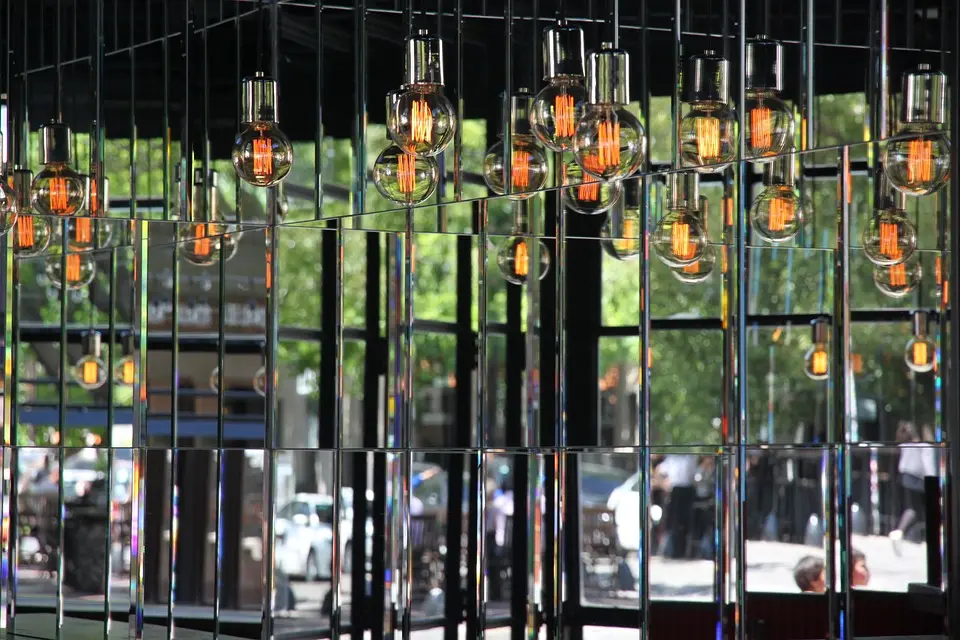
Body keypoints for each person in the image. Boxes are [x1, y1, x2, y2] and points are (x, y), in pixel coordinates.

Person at [890, 422, 936, 547]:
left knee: (913, 507)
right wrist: (932, 479)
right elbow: (927, 464)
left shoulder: (905, 444)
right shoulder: (923, 445)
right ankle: (902, 532)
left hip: (905, 477)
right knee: (916, 508)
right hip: (917, 478)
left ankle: (909, 534)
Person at [659, 454, 698, 559]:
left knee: (685, 522)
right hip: (676, 489)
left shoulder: (690, 457)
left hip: (686, 489)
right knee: (675, 522)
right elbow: (660, 470)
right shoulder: (672, 457)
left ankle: (683, 550)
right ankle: (675, 550)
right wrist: (664, 483)